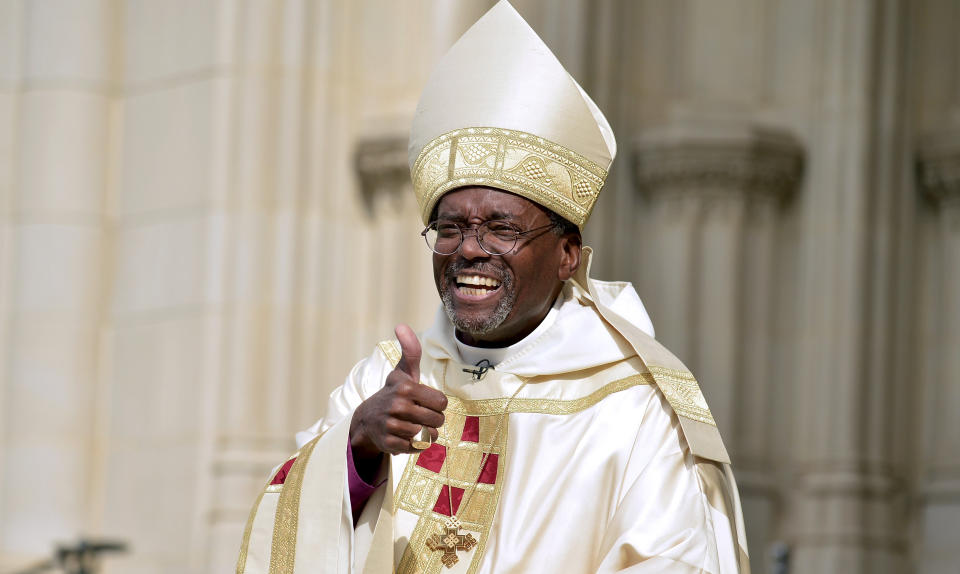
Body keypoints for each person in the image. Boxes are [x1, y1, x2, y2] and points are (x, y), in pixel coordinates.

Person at [236, 2, 749, 573]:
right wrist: (358, 446)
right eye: (450, 228)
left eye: (502, 228)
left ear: (566, 254)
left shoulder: (635, 407)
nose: (470, 249)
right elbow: (290, 538)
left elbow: (675, 560)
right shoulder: (385, 382)